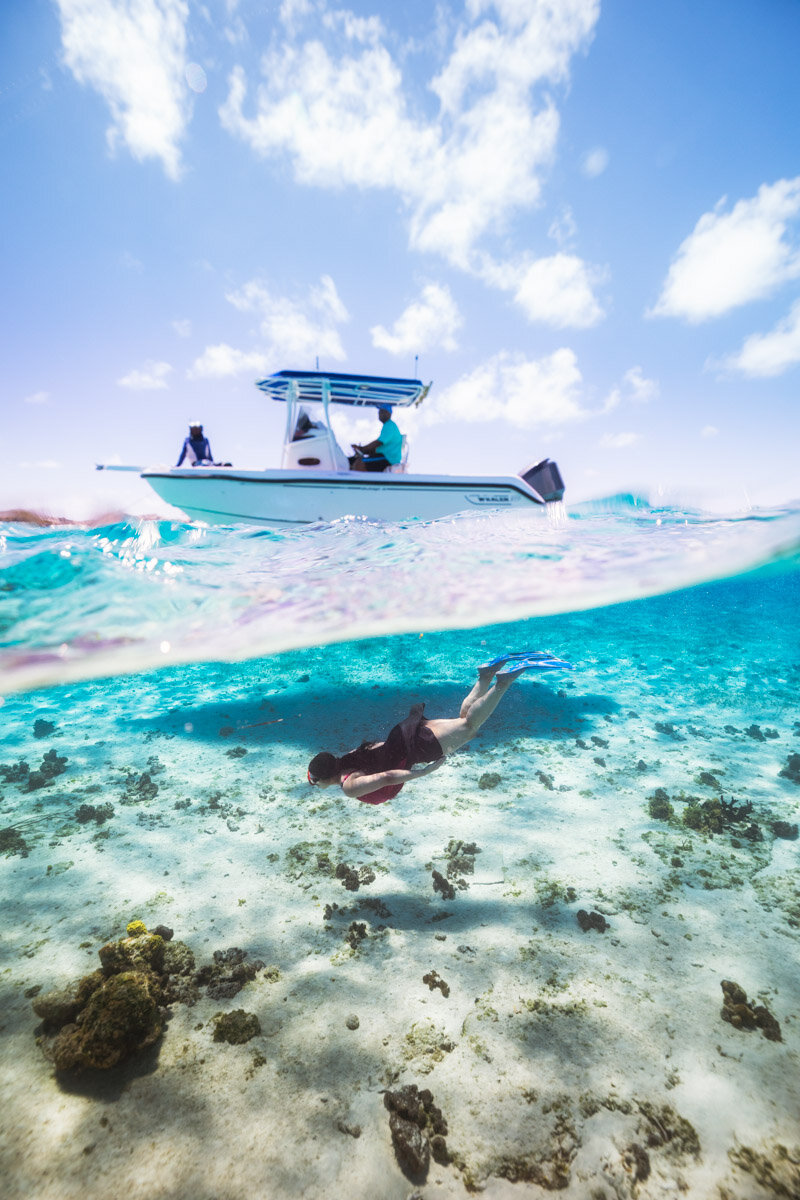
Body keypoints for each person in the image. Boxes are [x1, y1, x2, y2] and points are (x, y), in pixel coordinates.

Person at [306, 651, 571, 804]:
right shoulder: (350, 757)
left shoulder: (349, 786)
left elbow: (385, 778)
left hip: (417, 747)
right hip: (405, 736)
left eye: (313, 781)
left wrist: (424, 772)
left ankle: (504, 681)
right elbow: (377, 749)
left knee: (468, 727)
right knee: (463, 720)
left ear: (322, 780)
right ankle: (485, 675)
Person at [349, 406, 403, 472]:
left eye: (382, 411)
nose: (380, 414)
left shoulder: (390, 425)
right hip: (383, 456)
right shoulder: (388, 425)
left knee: (359, 463)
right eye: (379, 412)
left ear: (389, 414)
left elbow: (379, 442)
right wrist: (363, 451)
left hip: (388, 459)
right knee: (352, 460)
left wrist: (362, 449)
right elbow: (377, 449)